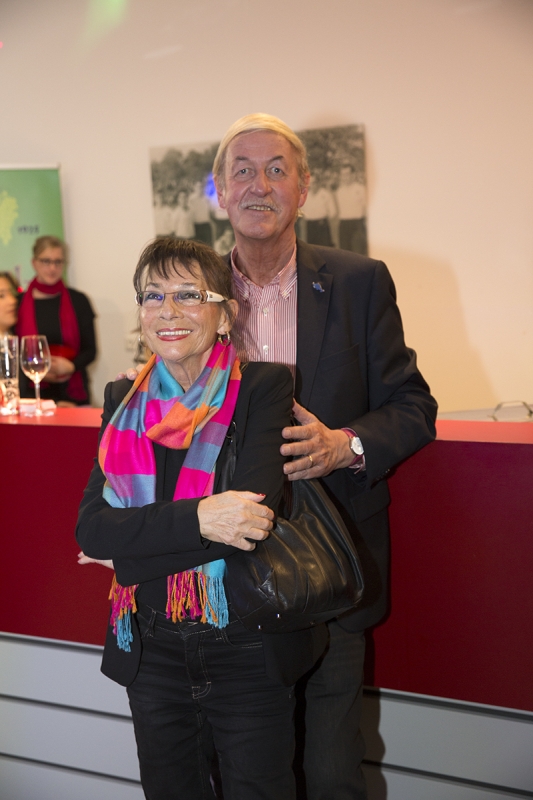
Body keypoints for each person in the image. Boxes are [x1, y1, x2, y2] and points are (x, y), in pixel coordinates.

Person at [209, 113, 438, 800]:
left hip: (329, 565)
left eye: (276, 170)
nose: (258, 185)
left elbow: (412, 404)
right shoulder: (193, 290)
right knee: (242, 774)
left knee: (332, 773)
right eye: (242, 170)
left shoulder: (358, 281)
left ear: (303, 189)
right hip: (221, 571)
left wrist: (345, 446)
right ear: (219, 191)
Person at [76, 237, 327, 800]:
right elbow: (90, 529)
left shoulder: (263, 387)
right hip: (151, 646)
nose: (168, 311)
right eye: (153, 295)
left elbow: (248, 522)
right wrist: (202, 517)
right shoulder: (123, 400)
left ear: (225, 314)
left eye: (189, 294)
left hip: (246, 646)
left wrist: (129, 554)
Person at [16, 235, 97, 406]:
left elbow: (91, 350)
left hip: (73, 394)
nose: (52, 268)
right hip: (32, 395)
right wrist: (37, 370)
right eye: (46, 261)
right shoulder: (18, 303)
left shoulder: (79, 300)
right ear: (34, 263)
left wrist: (71, 366)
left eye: (58, 262)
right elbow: (14, 353)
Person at [335, 163, 368, 255]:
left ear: (353, 175)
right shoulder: (339, 191)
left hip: (357, 224)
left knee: (358, 254)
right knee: (345, 254)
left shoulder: (361, 189)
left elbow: (366, 209)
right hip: (344, 224)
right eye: (343, 175)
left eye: (347, 174)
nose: (345, 177)